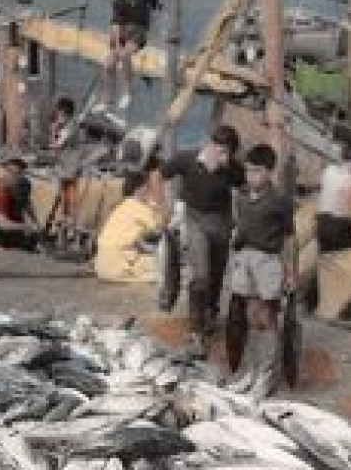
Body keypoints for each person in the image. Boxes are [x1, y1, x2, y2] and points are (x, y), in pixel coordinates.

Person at [164, 125, 246, 359]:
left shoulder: (233, 169)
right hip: (195, 219)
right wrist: (166, 208)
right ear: (209, 145)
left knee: (217, 274)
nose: (220, 155)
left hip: (222, 221)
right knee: (200, 276)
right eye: (218, 149)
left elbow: (246, 189)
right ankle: (195, 332)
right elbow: (159, 174)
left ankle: (210, 311)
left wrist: (228, 167)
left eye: (226, 152)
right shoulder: (187, 158)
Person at [224, 143, 298, 389]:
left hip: (268, 261)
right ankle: (251, 371)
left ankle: (266, 376)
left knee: (267, 318)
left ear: (269, 172)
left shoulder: (281, 201)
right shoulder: (242, 196)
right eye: (248, 171)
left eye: (256, 171)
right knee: (249, 316)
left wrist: (291, 270)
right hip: (244, 258)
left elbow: (289, 238)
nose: (251, 176)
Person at [93, 155, 169, 283]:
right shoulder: (139, 207)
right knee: (168, 268)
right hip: (119, 264)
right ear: (140, 189)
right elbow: (163, 226)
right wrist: (160, 205)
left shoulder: (123, 206)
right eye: (149, 188)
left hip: (101, 263)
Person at [104, 0, 160, 109]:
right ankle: (109, 98)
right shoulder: (118, 1)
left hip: (139, 32)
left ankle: (128, 91)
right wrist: (116, 45)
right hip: (122, 33)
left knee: (125, 55)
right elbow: (116, 25)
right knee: (109, 64)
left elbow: (157, 5)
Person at [0, 157, 39, 250]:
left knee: (32, 237)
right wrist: (27, 227)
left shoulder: (20, 185)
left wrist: (37, 224)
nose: (17, 177)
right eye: (13, 173)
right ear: (7, 172)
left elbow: (27, 204)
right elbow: (3, 223)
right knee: (28, 240)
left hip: (9, 224)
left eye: (19, 173)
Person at [315, 144, 351, 253]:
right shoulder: (350, 179)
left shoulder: (329, 170)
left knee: (323, 254)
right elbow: (347, 206)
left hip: (321, 221)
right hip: (336, 225)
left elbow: (322, 189)